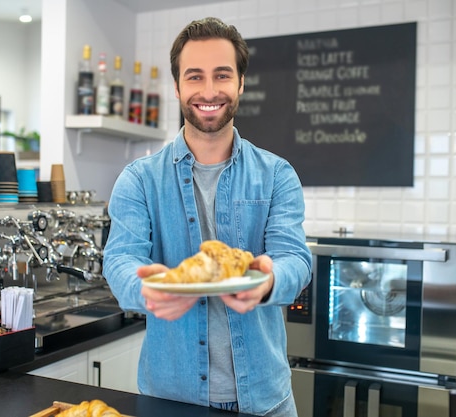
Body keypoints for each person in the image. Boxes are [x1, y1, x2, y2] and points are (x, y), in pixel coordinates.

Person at [102, 16, 311, 417]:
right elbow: (121, 259)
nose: (209, 90)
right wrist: (148, 290)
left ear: (241, 83)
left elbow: (296, 260)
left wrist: (268, 281)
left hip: (266, 401)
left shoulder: (277, 174)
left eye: (222, 75)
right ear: (178, 86)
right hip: (170, 400)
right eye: (195, 77)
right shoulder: (139, 179)